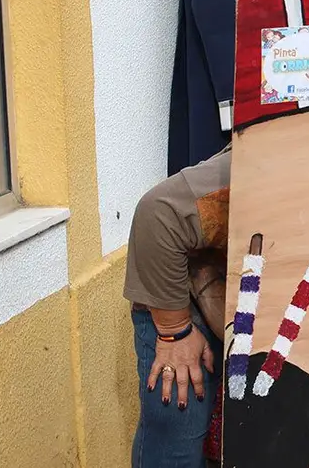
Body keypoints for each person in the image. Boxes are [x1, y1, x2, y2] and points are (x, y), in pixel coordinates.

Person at [125, 152, 230, 467]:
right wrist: (174, 331)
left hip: (235, 304)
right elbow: (158, 214)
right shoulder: (268, 163)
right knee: (177, 447)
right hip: (179, 308)